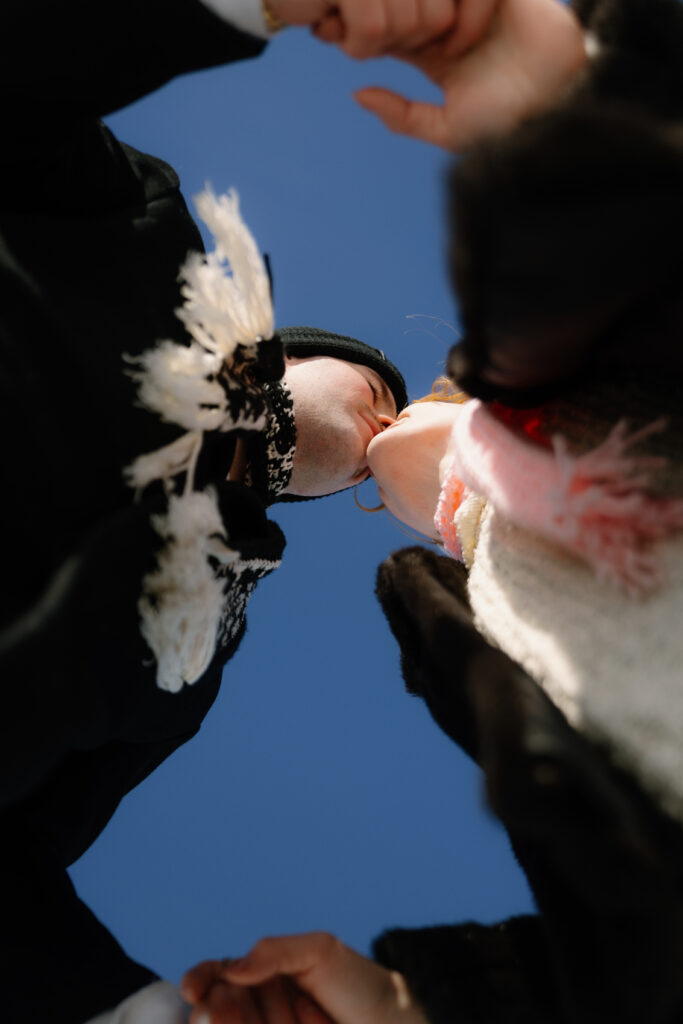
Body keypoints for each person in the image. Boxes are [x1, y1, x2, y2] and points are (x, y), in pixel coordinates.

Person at [182, 0, 683, 1020]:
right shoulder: (477, 617)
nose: (383, 428)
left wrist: (581, 97)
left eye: (399, 395)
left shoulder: (580, 360)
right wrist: (419, 1001)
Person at [1, 1, 473, 1020]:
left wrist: (124, 1008)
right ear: (284, 349)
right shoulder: (145, 250)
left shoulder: (187, 660)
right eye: (375, 385)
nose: (377, 440)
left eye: (360, 490)